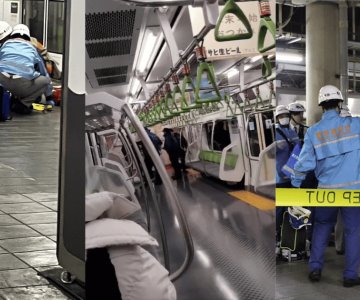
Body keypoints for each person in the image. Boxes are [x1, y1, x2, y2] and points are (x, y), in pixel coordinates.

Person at [291, 85, 360, 287]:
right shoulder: (356, 125)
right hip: (353, 190)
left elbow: (304, 163)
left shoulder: (313, 132)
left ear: (321, 106)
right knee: (353, 231)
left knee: (321, 227)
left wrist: (295, 184)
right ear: (340, 104)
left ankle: (315, 268)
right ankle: (349, 275)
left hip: (326, 191)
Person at [0, 24, 52, 114]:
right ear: (28, 37)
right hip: (22, 85)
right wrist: (49, 97)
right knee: (46, 80)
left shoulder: (4, 45)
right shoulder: (33, 48)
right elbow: (44, 72)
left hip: (2, 84)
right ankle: (23, 104)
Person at [275, 105, 299, 248]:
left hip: (294, 177)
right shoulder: (274, 132)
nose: (283, 118)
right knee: (279, 209)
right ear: (277, 118)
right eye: (281, 116)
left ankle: (292, 235)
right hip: (280, 177)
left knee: (293, 208)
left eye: (285, 115)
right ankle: (276, 235)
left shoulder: (292, 131)